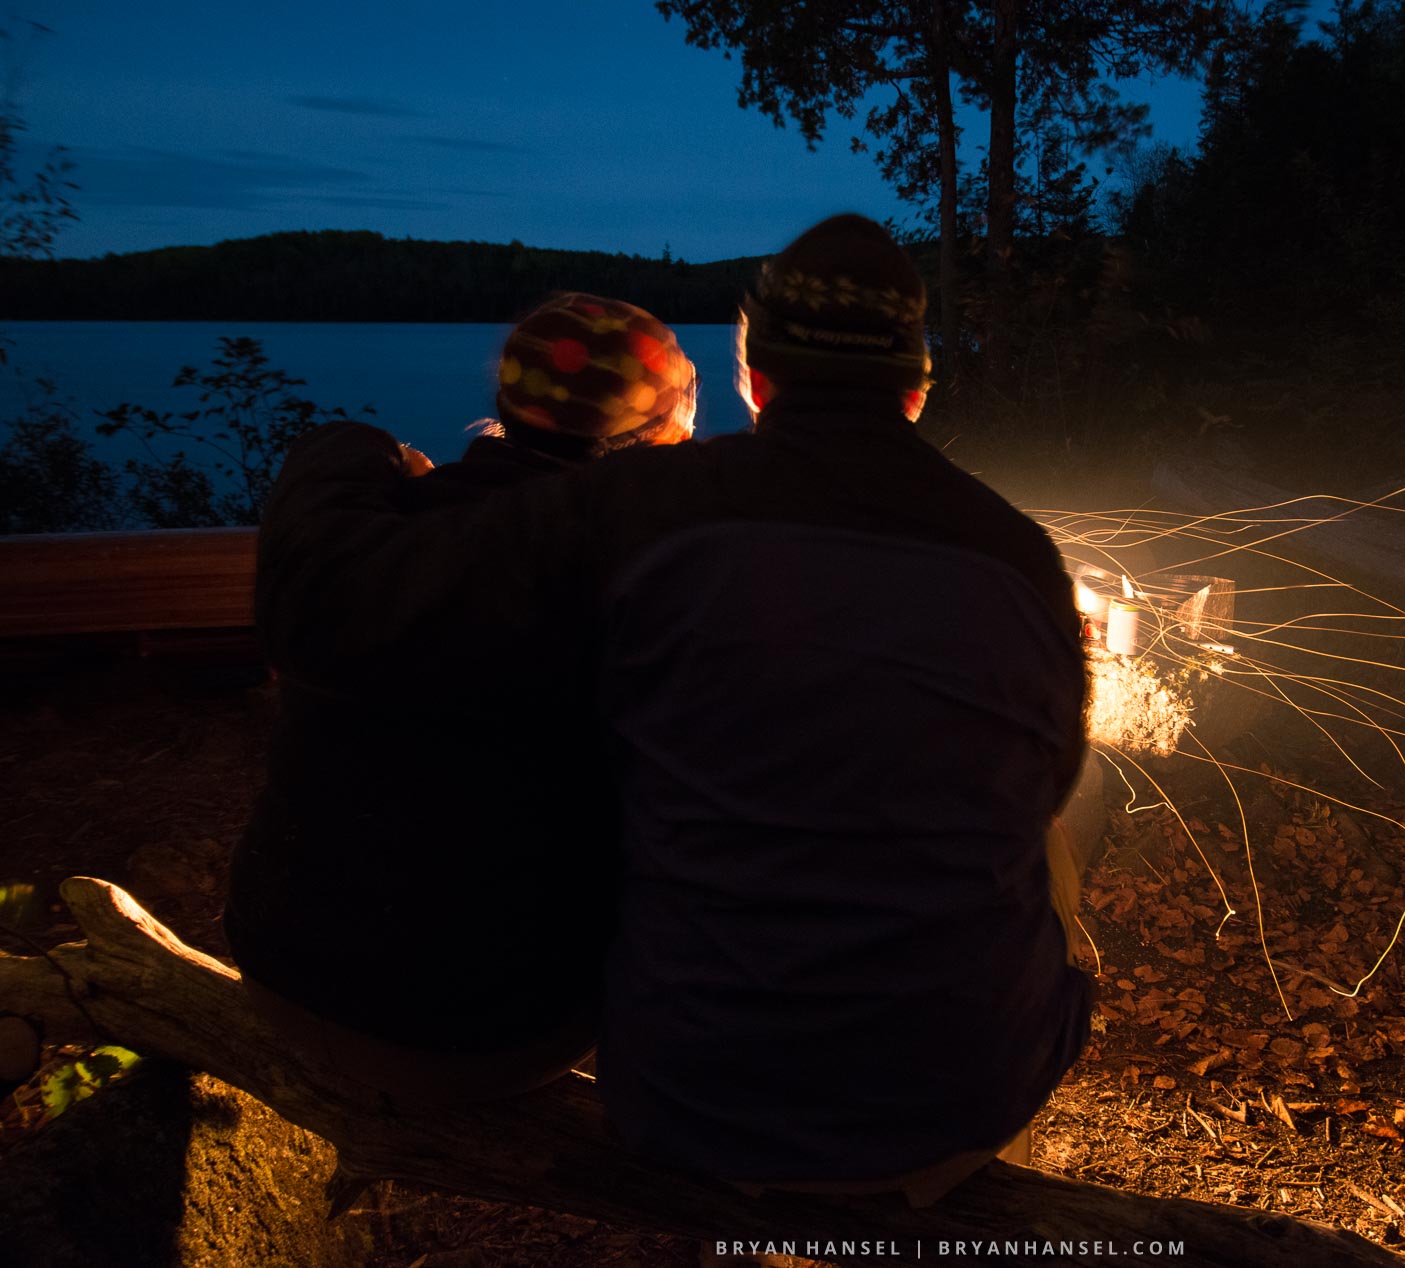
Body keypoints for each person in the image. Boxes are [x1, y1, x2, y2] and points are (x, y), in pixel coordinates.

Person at [252, 214, 1091, 1191]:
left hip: (683, 1095)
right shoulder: (1020, 553)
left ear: (754, 378)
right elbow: (1049, 777)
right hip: (957, 1105)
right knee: (1048, 829)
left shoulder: (639, 506)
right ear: (914, 389)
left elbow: (343, 600)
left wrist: (354, 454)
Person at [224, 293, 697, 1103]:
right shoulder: (645, 595)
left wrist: (386, 459)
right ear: (662, 436)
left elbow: (333, 452)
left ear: (507, 405)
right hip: (491, 1033)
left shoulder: (368, 545)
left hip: (284, 979)